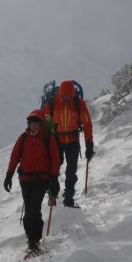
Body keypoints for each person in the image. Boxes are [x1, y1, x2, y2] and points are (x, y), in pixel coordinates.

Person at [4, 109, 60, 254]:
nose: (33, 127)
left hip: (42, 180)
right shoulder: (23, 138)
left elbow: (55, 160)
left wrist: (54, 179)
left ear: (41, 125)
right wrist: (9, 175)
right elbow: (15, 157)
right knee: (30, 210)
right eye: (31, 124)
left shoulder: (48, 138)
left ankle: (34, 242)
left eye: (36, 124)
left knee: (33, 209)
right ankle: (32, 239)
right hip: (25, 180)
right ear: (28, 125)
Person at [43, 80, 94, 208]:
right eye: (64, 95)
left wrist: (89, 144)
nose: (66, 98)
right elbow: (44, 123)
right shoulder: (52, 103)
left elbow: (87, 125)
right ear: (60, 93)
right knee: (53, 168)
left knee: (71, 170)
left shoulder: (79, 104)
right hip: (56, 141)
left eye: (69, 95)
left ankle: (69, 197)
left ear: (72, 93)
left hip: (72, 141)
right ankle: (52, 195)